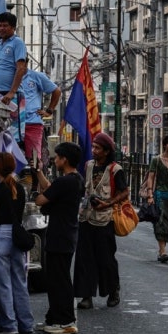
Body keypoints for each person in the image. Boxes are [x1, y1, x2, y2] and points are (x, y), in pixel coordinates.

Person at [34, 142, 85, 334]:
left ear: (65, 159)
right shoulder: (75, 179)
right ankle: (55, 318)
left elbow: (42, 199)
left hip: (59, 236)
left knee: (58, 280)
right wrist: (39, 173)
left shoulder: (66, 182)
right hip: (67, 234)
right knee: (59, 278)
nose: (55, 160)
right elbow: (51, 189)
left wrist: (39, 193)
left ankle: (64, 321)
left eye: (57, 157)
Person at [73, 132, 127, 309]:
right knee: (84, 257)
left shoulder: (115, 169)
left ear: (106, 151)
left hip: (105, 219)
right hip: (86, 217)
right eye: (93, 147)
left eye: (97, 148)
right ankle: (86, 295)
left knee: (105, 258)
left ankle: (113, 290)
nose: (94, 150)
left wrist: (108, 203)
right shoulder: (88, 165)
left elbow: (124, 192)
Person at [0, 152, 33, 334]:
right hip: (16, 236)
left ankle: (8, 324)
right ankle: (26, 324)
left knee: (1, 283)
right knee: (20, 283)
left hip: (0, 235)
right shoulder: (20, 190)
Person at [141, 134, 168, 263]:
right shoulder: (156, 160)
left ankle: (162, 247)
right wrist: (150, 194)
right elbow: (151, 177)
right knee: (160, 221)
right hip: (159, 194)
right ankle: (163, 251)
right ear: (164, 145)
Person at [16, 69, 60, 164]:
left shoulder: (36, 76)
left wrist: (49, 111)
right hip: (13, 123)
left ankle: (36, 177)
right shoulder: (10, 75)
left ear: (25, 63)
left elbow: (56, 91)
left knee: (34, 161)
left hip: (32, 124)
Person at [0, 12, 28, 108]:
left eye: (5, 26)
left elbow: (21, 68)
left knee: (13, 123)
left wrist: (12, 92)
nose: (1, 28)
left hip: (12, 95)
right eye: (0, 25)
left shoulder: (17, 42)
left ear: (13, 27)